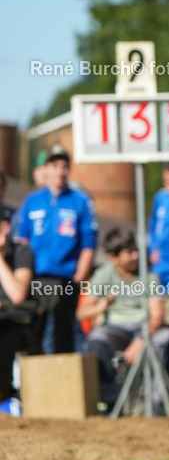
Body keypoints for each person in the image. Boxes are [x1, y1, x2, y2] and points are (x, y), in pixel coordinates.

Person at [77, 228, 169, 409]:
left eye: (136, 250)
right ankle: (112, 401)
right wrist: (101, 306)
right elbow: (81, 313)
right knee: (97, 339)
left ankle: (159, 403)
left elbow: (157, 316)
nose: (135, 256)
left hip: (144, 327)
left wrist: (141, 339)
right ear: (113, 257)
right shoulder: (104, 274)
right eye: (129, 252)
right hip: (115, 327)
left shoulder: (148, 275)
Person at [15, 145, 96, 354]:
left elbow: (89, 242)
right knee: (36, 333)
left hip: (66, 278)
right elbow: (22, 240)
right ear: (46, 169)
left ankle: (64, 383)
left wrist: (79, 276)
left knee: (63, 334)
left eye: (64, 166)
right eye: (54, 165)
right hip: (36, 278)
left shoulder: (80, 201)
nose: (59, 171)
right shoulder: (33, 201)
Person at [0, 205, 37, 401]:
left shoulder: (22, 253)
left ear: (5, 228)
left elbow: (17, 295)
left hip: (18, 325)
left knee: (4, 341)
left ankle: (4, 398)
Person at [148, 162, 169, 289]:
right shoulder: (161, 197)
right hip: (159, 258)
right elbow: (153, 224)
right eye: (168, 182)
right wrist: (153, 248)